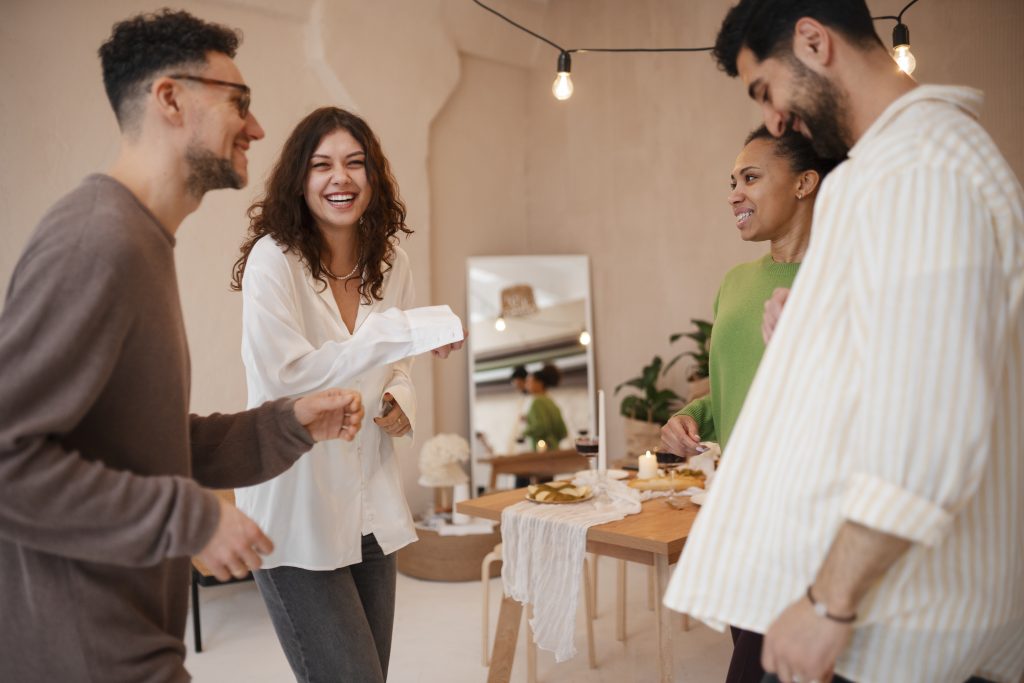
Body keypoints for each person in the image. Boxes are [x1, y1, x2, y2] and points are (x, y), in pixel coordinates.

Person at [663, 2, 1024, 683]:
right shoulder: (892, 172)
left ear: (813, 40)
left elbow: (928, 427)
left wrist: (828, 602)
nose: (773, 121)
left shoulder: (918, 171)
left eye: (766, 90)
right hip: (873, 603)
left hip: (894, 621)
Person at [0, 11, 366, 683]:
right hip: (83, 653)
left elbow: (146, 444)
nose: (256, 127)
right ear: (170, 98)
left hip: (129, 643)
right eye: (239, 102)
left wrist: (285, 423)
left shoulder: (140, 242)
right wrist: (192, 515)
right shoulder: (97, 241)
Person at [230, 106, 465, 683]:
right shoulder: (273, 262)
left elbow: (396, 368)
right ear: (299, 179)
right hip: (294, 510)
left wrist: (398, 403)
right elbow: (290, 380)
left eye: (355, 164)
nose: (342, 178)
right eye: (323, 165)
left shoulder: (391, 262)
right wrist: (401, 330)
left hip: (369, 502)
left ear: (374, 177)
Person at [661, 125, 838, 683]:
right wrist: (692, 416)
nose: (734, 192)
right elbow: (736, 381)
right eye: (732, 181)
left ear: (806, 182)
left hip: (811, 521)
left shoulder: (844, 280)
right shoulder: (735, 284)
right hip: (737, 511)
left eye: (752, 177)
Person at [522, 364, 568, 451]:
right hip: (555, 450)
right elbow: (563, 431)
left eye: (529, 381)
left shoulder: (537, 402)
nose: (526, 385)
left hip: (541, 453)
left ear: (539, 383)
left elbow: (541, 427)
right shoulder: (551, 402)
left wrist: (524, 432)